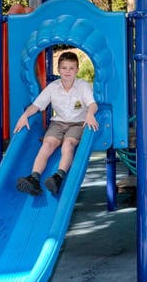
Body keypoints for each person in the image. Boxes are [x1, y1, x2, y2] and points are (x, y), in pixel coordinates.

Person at [15, 51, 98, 196]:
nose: (68, 71)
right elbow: (36, 105)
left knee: (68, 144)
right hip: (58, 124)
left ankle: (58, 176)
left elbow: (92, 104)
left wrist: (90, 114)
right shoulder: (53, 87)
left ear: (77, 70)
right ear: (58, 70)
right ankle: (34, 178)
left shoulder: (82, 86)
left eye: (71, 68)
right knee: (47, 144)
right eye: (64, 68)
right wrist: (25, 115)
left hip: (77, 123)